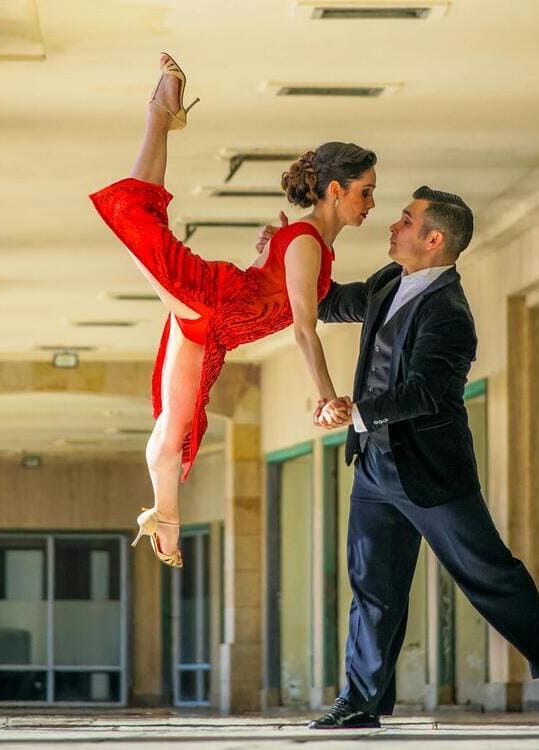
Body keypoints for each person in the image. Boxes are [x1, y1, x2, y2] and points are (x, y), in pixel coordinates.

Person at [259, 189, 539, 730]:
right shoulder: (389, 282)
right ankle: (361, 703)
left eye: (406, 220)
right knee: (373, 588)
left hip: (431, 473)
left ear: (434, 239)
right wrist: (284, 257)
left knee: (490, 574)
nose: (392, 224)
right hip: (373, 471)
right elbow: (330, 301)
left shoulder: (452, 314)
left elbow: (425, 392)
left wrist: (355, 411)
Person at [90, 53, 374, 568]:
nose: (371, 204)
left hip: (214, 327)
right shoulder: (309, 241)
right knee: (133, 214)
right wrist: (326, 397)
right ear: (336, 191)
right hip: (209, 299)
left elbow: (271, 291)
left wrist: (266, 255)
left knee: (174, 428)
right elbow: (306, 331)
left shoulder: (309, 243)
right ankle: (159, 113)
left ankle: (164, 519)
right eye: (365, 192)